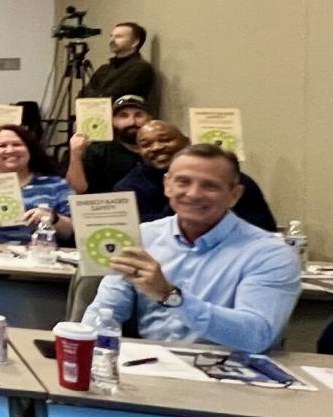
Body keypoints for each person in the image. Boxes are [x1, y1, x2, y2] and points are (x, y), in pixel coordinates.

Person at [84, 145, 299, 353]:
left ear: (234, 194)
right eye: (183, 182)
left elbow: (256, 336)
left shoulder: (269, 253)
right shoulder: (142, 237)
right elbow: (106, 312)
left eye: (210, 186)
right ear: (167, 185)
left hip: (231, 376)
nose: (194, 194)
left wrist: (171, 296)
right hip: (150, 367)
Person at [113, 121, 277, 232]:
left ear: (186, 141)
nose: (156, 147)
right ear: (167, 184)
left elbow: (264, 228)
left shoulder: (233, 180)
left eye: (165, 140)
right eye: (146, 144)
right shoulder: (127, 189)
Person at [64, 95, 149, 194]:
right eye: (124, 116)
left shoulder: (159, 149)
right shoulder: (98, 152)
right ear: (113, 121)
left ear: (149, 118)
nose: (132, 122)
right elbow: (75, 190)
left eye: (138, 115)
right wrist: (75, 153)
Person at [81, 22, 155, 108]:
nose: (112, 40)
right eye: (111, 36)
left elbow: (112, 97)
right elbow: (82, 95)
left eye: (119, 37)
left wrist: (94, 98)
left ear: (135, 42)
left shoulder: (140, 68)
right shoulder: (104, 69)